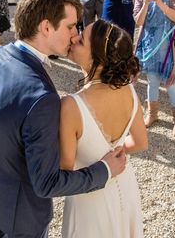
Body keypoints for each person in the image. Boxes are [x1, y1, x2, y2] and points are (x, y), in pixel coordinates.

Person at [0, 0, 126, 237]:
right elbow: (47, 183)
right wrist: (105, 170)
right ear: (46, 27)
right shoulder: (42, 97)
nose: (75, 35)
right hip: (21, 215)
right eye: (70, 27)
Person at [61, 19, 147, 237]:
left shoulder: (71, 106)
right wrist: (114, 154)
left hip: (90, 200)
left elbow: (64, 171)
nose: (73, 38)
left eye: (80, 40)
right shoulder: (129, 90)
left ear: (98, 58)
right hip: (126, 189)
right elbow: (140, 142)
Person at [133, 0, 175, 132]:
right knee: (152, 81)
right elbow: (138, 21)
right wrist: (147, 2)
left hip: (169, 49)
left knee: (171, 84)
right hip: (149, 48)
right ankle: (152, 114)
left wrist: (160, 3)